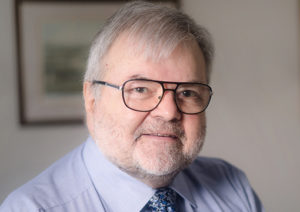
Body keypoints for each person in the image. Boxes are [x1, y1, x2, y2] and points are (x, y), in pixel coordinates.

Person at [1, 1, 264, 211]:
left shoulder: (233, 187)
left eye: (187, 92)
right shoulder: (32, 208)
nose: (169, 111)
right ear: (92, 98)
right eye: (140, 89)